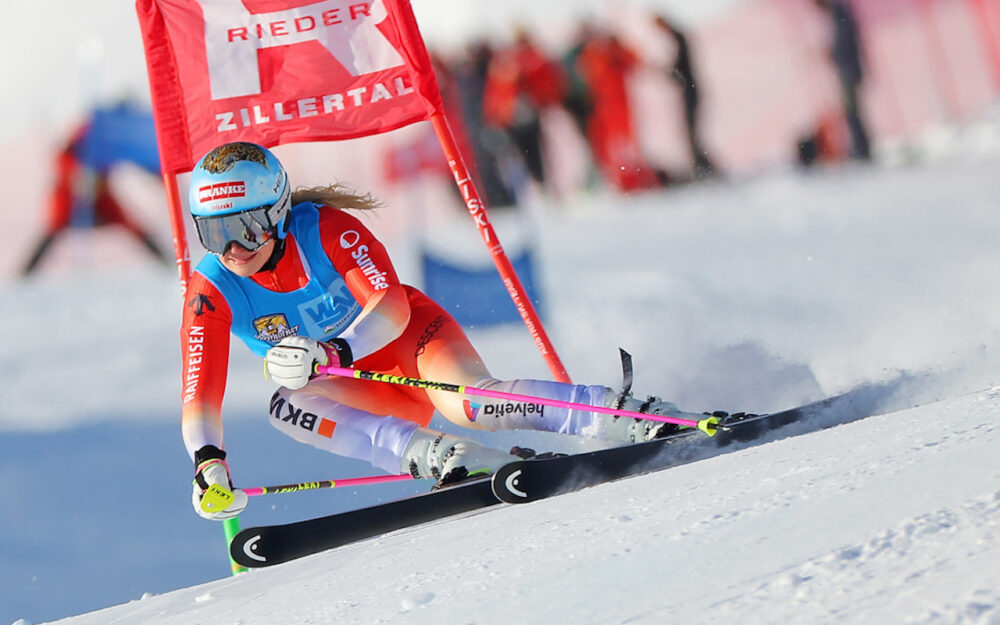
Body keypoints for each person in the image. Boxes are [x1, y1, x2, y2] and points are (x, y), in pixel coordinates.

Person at [183, 142, 688, 520]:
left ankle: (617, 414)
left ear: (276, 212)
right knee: (286, 404)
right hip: (354, 384)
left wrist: (335, 350)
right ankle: (443, 455)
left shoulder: (325, 230)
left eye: (244, 227)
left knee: (472, 404)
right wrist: (209, 467)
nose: (232, 248)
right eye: (213, 232)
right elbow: (200, 390)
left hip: (405, 341)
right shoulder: (212, 287)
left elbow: (391, 306)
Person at [23, 121, 169, 275]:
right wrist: (76, 175)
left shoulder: (118, 136)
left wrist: (158, 175)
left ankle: (166, 262)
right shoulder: (88, 131)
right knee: (54, 226)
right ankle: (26, 273)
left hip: (100, 193)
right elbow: (62, 158)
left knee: (131, 224)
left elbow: (135, 155)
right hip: (69, 192)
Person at [653, 14, 718, 179]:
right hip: (690, 89)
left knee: (692, 131)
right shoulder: (678, 39)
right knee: (691, 131)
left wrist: (666, 72)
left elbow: (681, 70)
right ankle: (702, 165)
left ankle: (705, 166)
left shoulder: (678, 38)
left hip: (690, 90)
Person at [814, 0, 872, 161]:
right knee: (852, 111)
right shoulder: (839, 15)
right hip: (848, 70)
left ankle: (862, 149)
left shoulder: (840, 15)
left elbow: (844, 45)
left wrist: (832, 53)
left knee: (852, 111)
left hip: (848, 71)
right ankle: (861, 147)